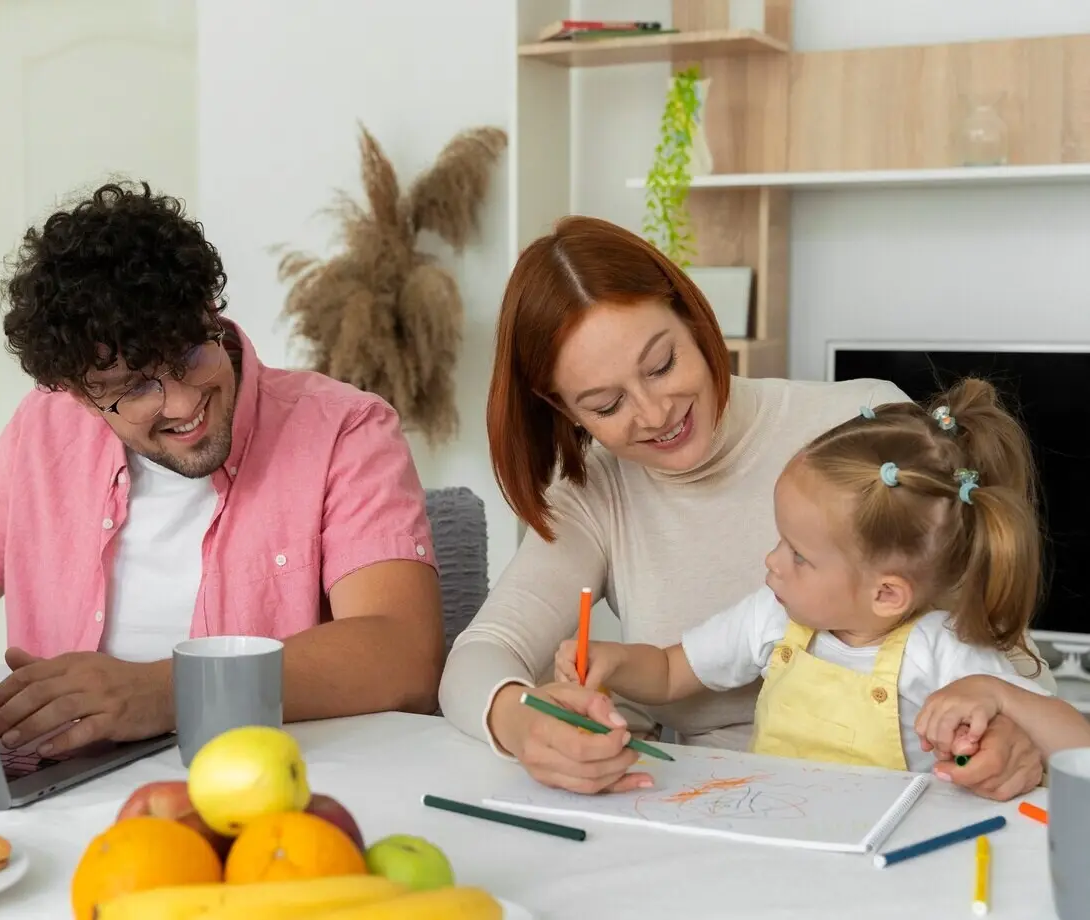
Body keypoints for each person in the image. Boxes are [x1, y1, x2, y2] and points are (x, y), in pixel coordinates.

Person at [437, 215, 1053, 802]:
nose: (654, 414)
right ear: (563, 409)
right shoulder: (597, 492)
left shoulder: (860, 430)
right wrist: (522, 722)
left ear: (695, 318)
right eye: (604, 404)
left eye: (662, 364)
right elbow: (479, 655)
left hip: (905, 803)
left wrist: (1008, 737)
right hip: (709, 805)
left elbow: (1000, 656)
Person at [0, 181, 445, 757]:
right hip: (61, 785)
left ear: (210, 310)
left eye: (188, 356)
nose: (182, 405)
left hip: (267, 790)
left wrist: (168, 692)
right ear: (79, 396)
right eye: (133, 389)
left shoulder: (343, 430)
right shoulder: (44, 428)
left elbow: (404, 656)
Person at [553, 379, 1090, 778]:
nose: (771, 561)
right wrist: (616, 662)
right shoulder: (772, 616)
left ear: (886, 594)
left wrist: (996, 693)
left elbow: (1079, 745)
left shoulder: (941, 650)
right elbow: (671, 672)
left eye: (798, 555)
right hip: (773, 834)